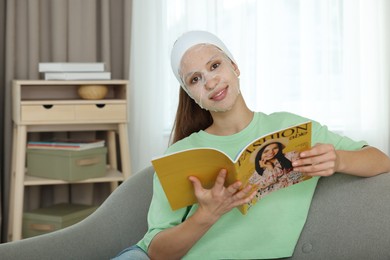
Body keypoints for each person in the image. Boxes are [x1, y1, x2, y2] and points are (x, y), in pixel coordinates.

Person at [113, 31, 390, 260]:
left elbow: (380, 160)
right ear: (191, 95)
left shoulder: (294, 129)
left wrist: (339, 160)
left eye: (215, 66)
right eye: (195, 79)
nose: (210, 81)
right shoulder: (180, 154)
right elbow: (157, 252)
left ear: (234, 67)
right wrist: (207, 215)